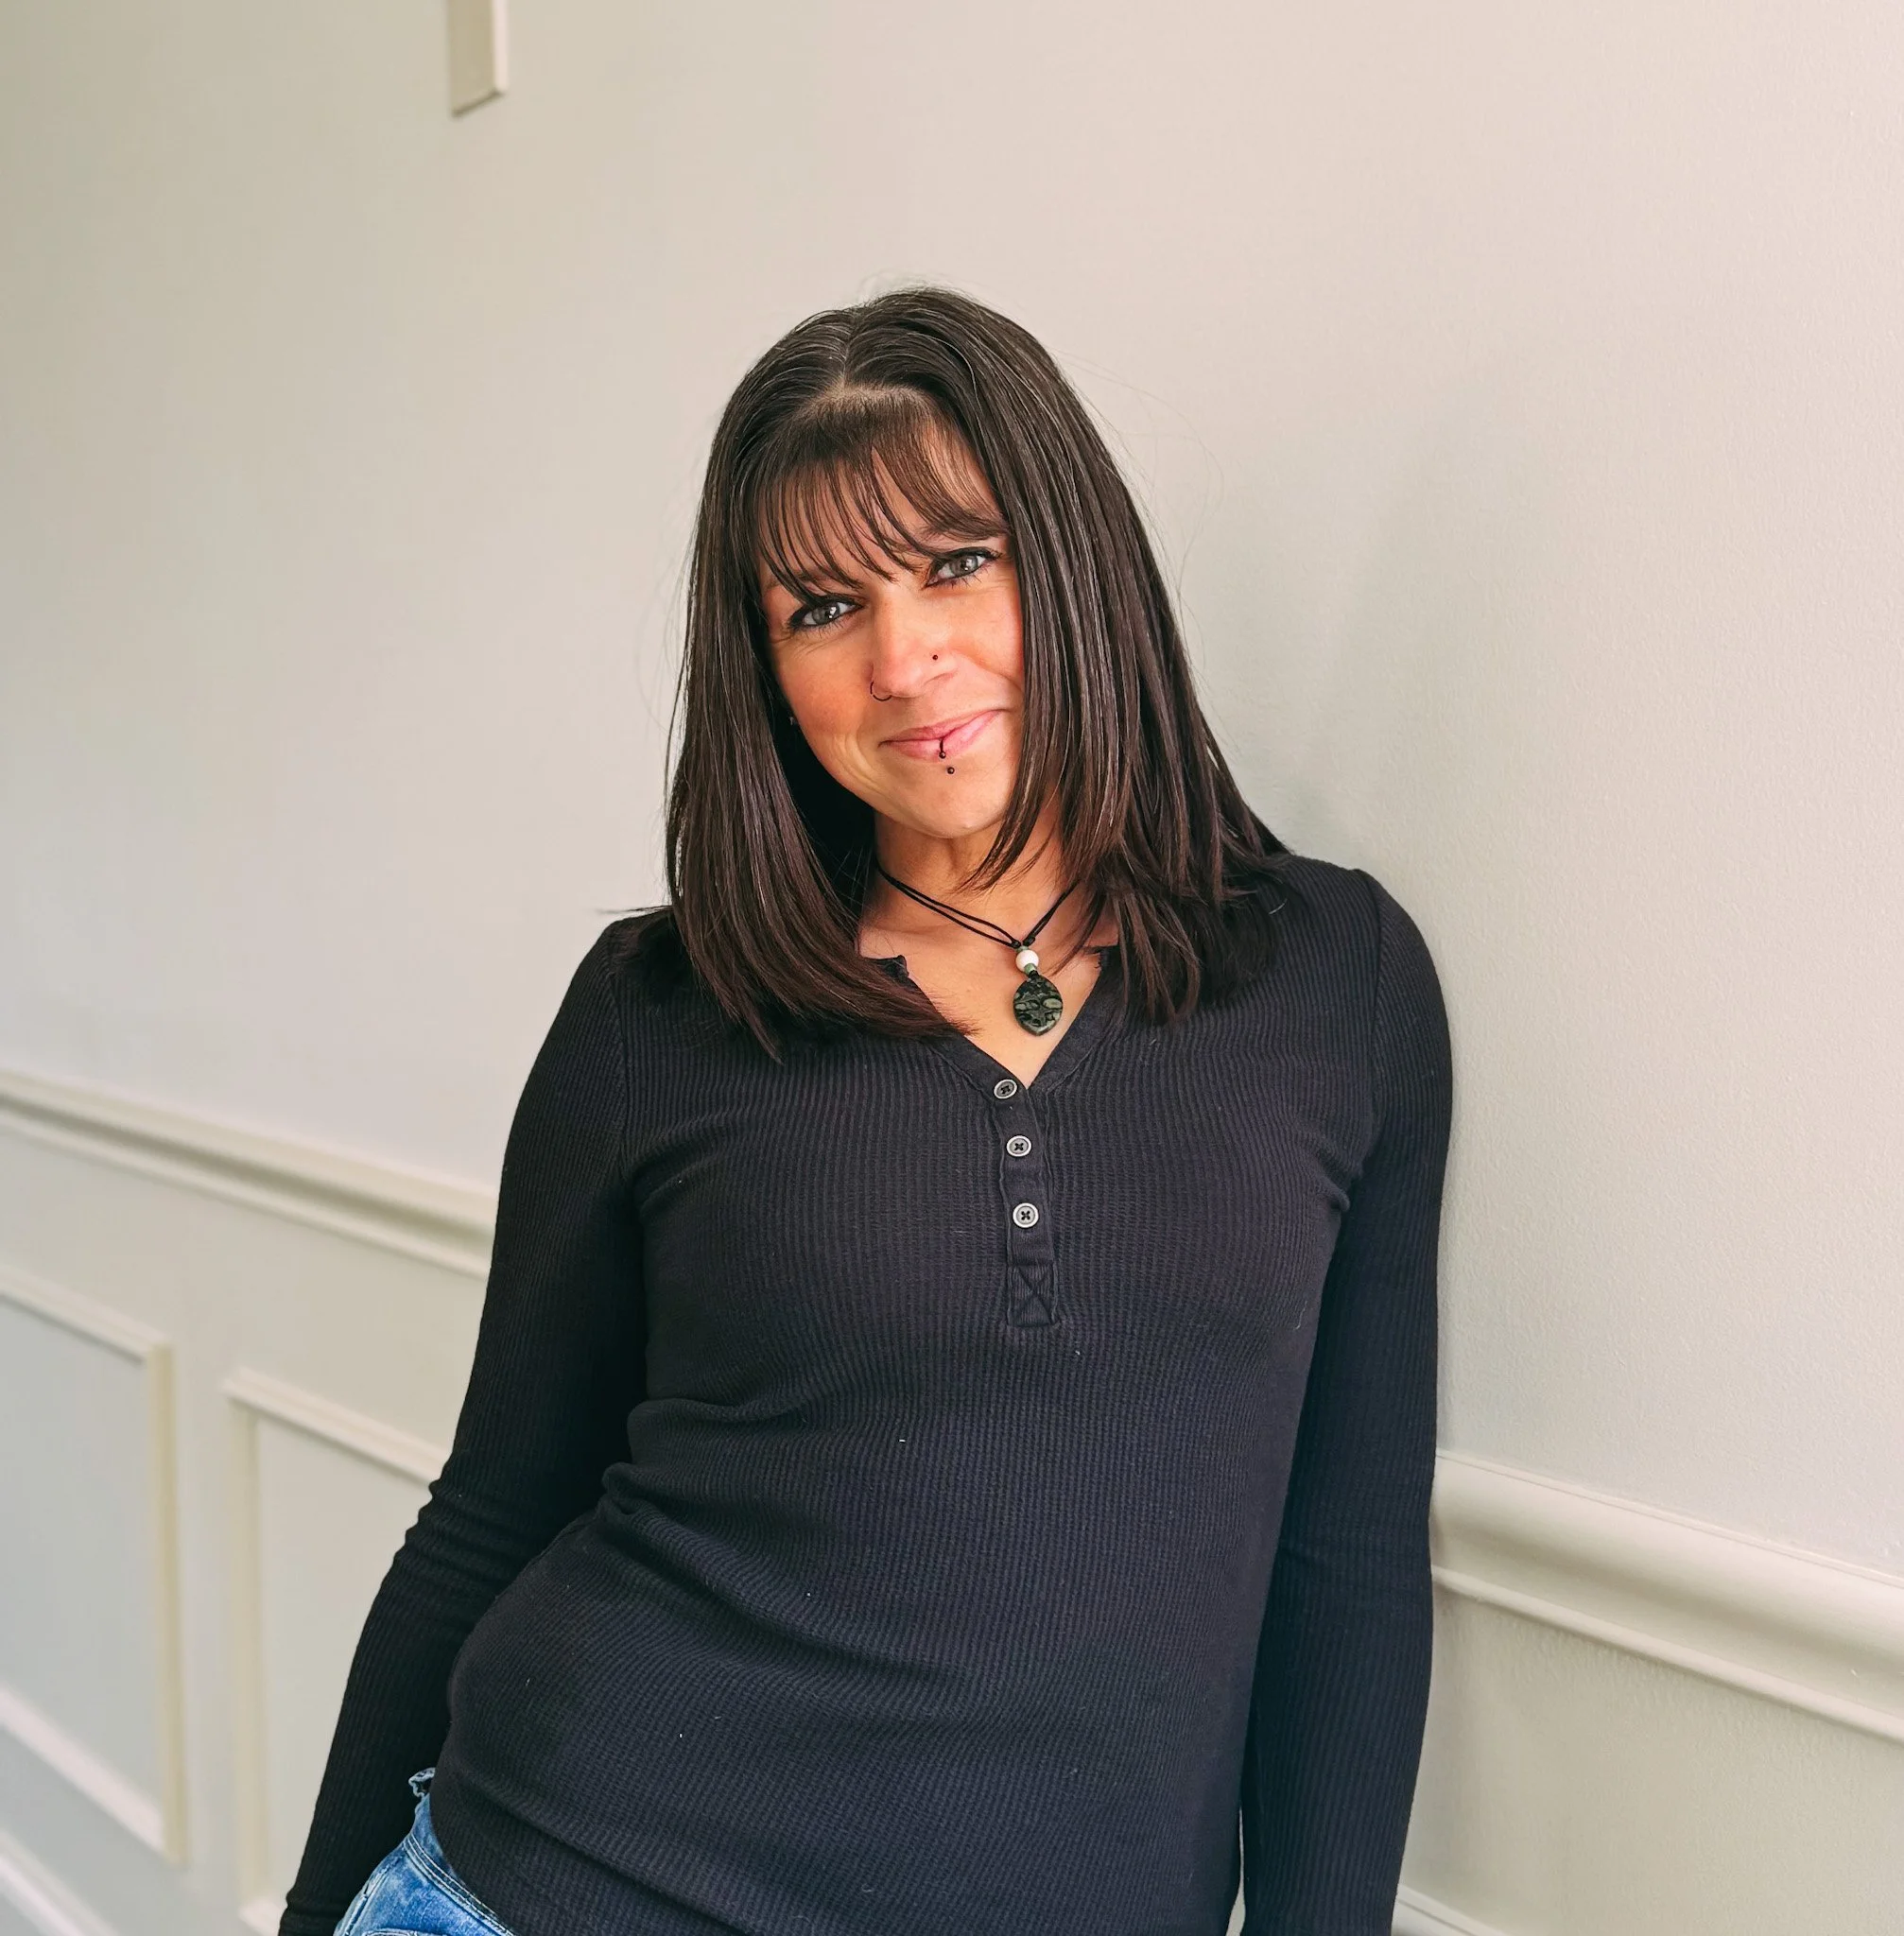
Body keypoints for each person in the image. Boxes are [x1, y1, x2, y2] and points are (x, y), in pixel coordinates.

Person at [282, 285, 1454, 1936]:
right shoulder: (658, 1013)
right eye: (821, 607)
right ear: (766, 670)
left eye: (958, 562)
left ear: (1075, 558)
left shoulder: (1340, 984)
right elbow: (491, 1513)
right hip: (568, 1881)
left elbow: (1344, 1564)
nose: (904, 661)